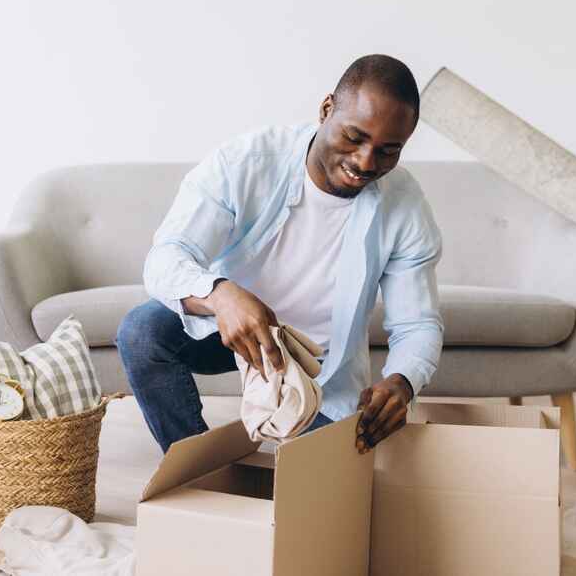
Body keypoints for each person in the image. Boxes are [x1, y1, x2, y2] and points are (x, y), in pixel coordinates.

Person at [116, 54, 444, 453]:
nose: (365, 162)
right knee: (143, 332)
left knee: (323, 484)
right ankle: (198, 467)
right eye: (354, 137)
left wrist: (403, 382)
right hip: (233, 332)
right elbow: (166, 257)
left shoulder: (405, 205)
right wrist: (221, 295)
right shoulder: (245, 162)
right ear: (326, 110)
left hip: (319, 367)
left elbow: (417, 324)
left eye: (388, 150)